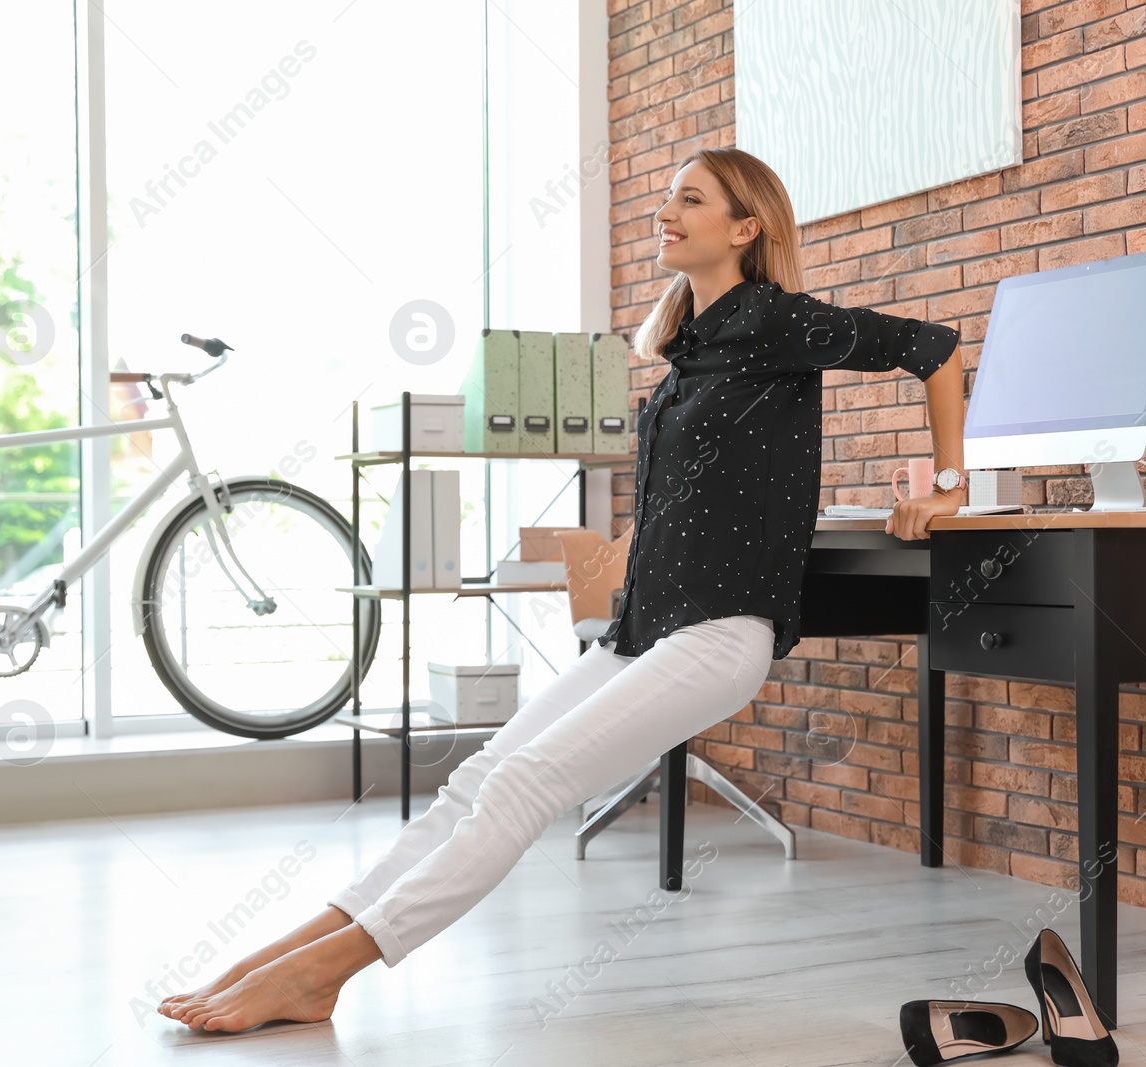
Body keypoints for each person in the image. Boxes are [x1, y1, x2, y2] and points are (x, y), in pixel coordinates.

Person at [158, 146, 967, 1033]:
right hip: (644, 629)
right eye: (668, 196)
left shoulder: (777, 320)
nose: (666, 210)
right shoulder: (689, 346)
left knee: (522, 787)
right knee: (478, 777)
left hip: (718, 633)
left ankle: (325, 973)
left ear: (746, 227)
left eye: (689, 199)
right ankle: (299, 945)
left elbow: (931, 350)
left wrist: (947, 485)